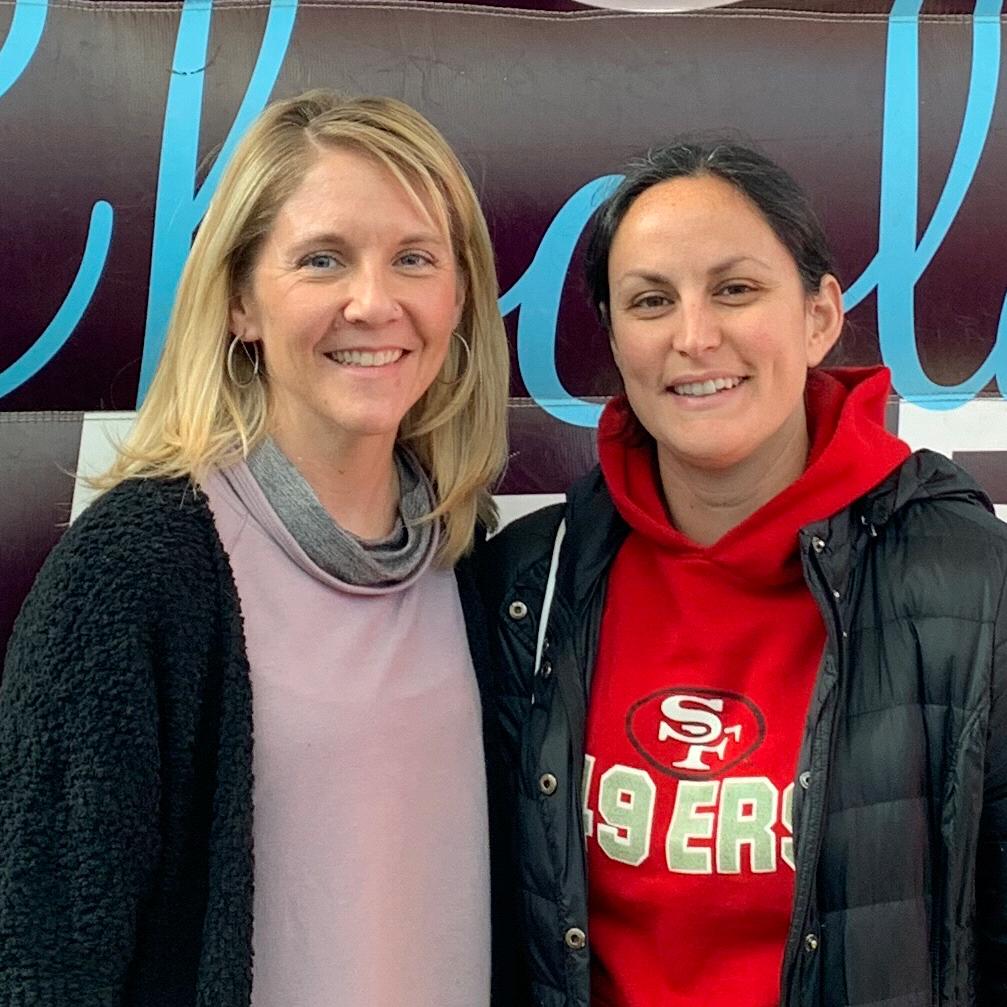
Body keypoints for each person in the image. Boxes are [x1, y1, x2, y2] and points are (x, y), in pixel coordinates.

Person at [0, 90, 514, 1006]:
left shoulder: (474, 558)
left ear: (458, 296)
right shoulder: (134, 571)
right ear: (241, 301)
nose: (374, 302)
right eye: (323, 259)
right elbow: (45, 952)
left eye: (413, 258)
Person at [480, 141, 1007, 1006]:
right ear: (614, 338)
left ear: (819, 316)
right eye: (651, 300)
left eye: (733, 289)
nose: (693, 337)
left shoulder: (971, 583)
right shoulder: (528, 585)